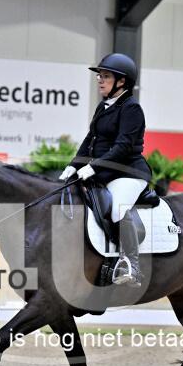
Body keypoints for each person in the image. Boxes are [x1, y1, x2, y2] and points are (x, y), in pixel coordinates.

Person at [59, 53, 151, 287]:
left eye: (106, 76)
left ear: (122, 81)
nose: (100, 79)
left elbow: (123, 147)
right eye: (99, 75)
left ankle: (131, 265)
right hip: (105, 172)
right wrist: (73, 165)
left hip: (128, 172)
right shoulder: (103, 106)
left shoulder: (132, 109)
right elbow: (90, 140)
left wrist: (93, 167)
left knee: (118, 208)